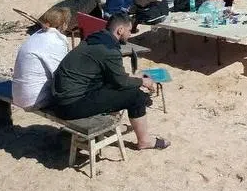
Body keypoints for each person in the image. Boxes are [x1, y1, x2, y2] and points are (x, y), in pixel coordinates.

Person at [52, 14, 170, 150]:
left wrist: (133, 79)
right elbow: (121, 82)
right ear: (120, 30)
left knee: (118, 88)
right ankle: (144, 141)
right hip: (71, 105)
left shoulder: (94, 38)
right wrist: (142, 81)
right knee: (136, 96)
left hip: (61, 99)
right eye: (129, 30)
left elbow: (112, 77)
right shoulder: (109, 51)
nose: (130, 34)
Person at [12, 7, 71, 109]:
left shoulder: (36, 35)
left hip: (18, 94)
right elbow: (61, 74)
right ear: (64, 24)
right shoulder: (55, 41)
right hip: (33, 99)